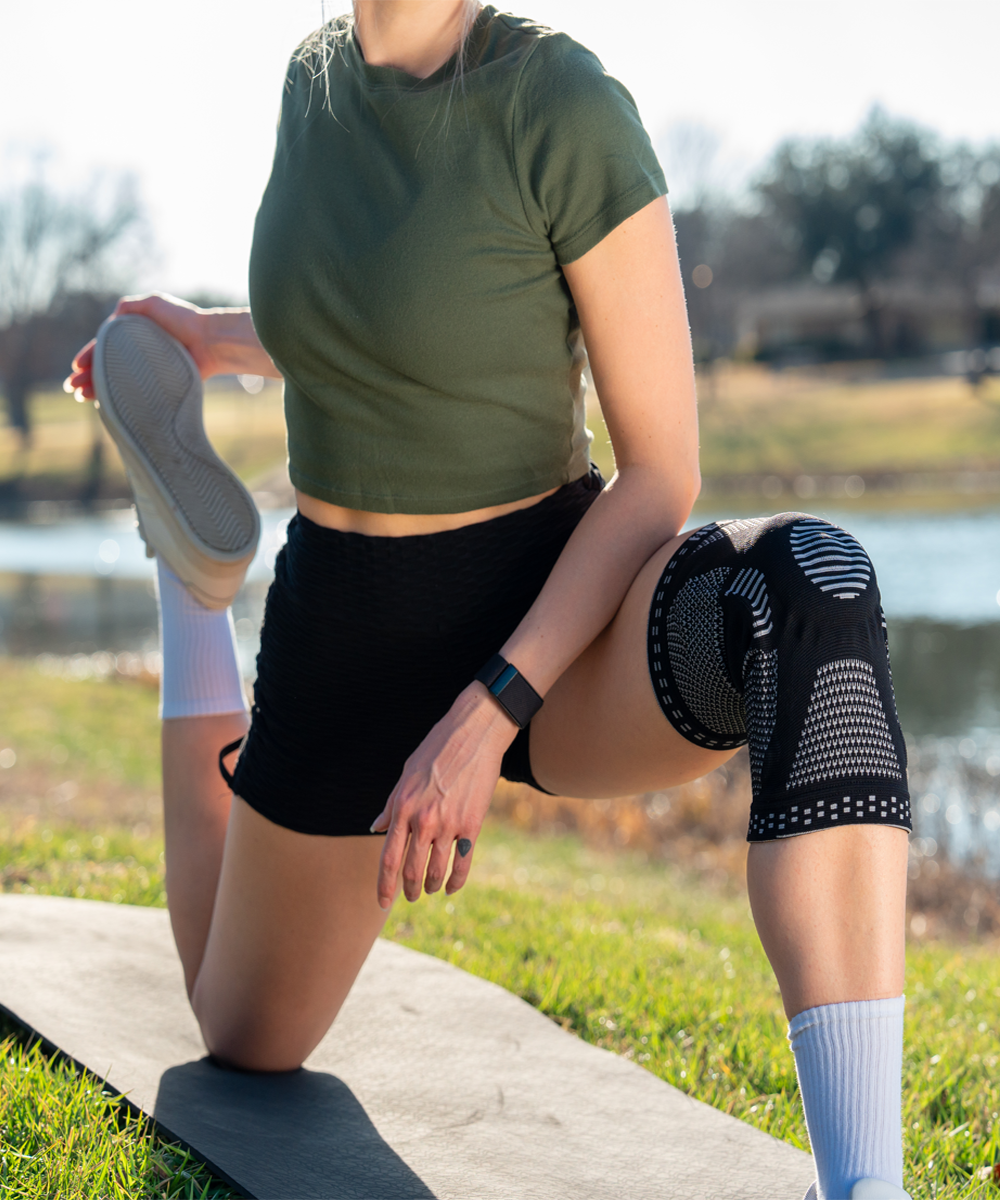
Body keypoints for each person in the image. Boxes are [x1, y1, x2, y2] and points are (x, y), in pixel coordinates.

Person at [68, 4, 912, 1197]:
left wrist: (488, 712)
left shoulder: (559, 104)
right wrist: (208, 337)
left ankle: (866, 1186)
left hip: (552, 612)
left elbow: (662, 471)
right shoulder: (309, 85)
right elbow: (388, 322)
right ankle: (187, 577)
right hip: (344, 630)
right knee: (240, 1036)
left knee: (811, 590)